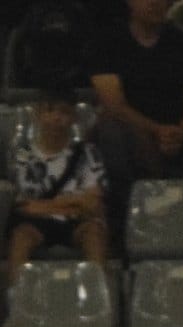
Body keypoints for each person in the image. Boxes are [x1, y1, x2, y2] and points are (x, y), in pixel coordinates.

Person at [90, 0, 183, 238]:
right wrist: (156, 131)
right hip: (133, 134)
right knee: (110, 130)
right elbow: (114, 105)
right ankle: (126, 222)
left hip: (180, 136)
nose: (156, 3)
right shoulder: (108, 43)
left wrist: (179, 132)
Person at [7, 88, 109, 280]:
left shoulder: (88, 153)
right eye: (49, 110)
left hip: (77, 222)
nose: (56, 118)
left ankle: (100, 297)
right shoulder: (23, 154)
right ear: (38, 114)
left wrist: (45, 206)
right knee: (20, 237)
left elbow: (93, 203)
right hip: (37, 223)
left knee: (95, 233)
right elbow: (24, 206)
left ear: (73, 118)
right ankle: (14, 299)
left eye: (63, 112)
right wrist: (72, 203)